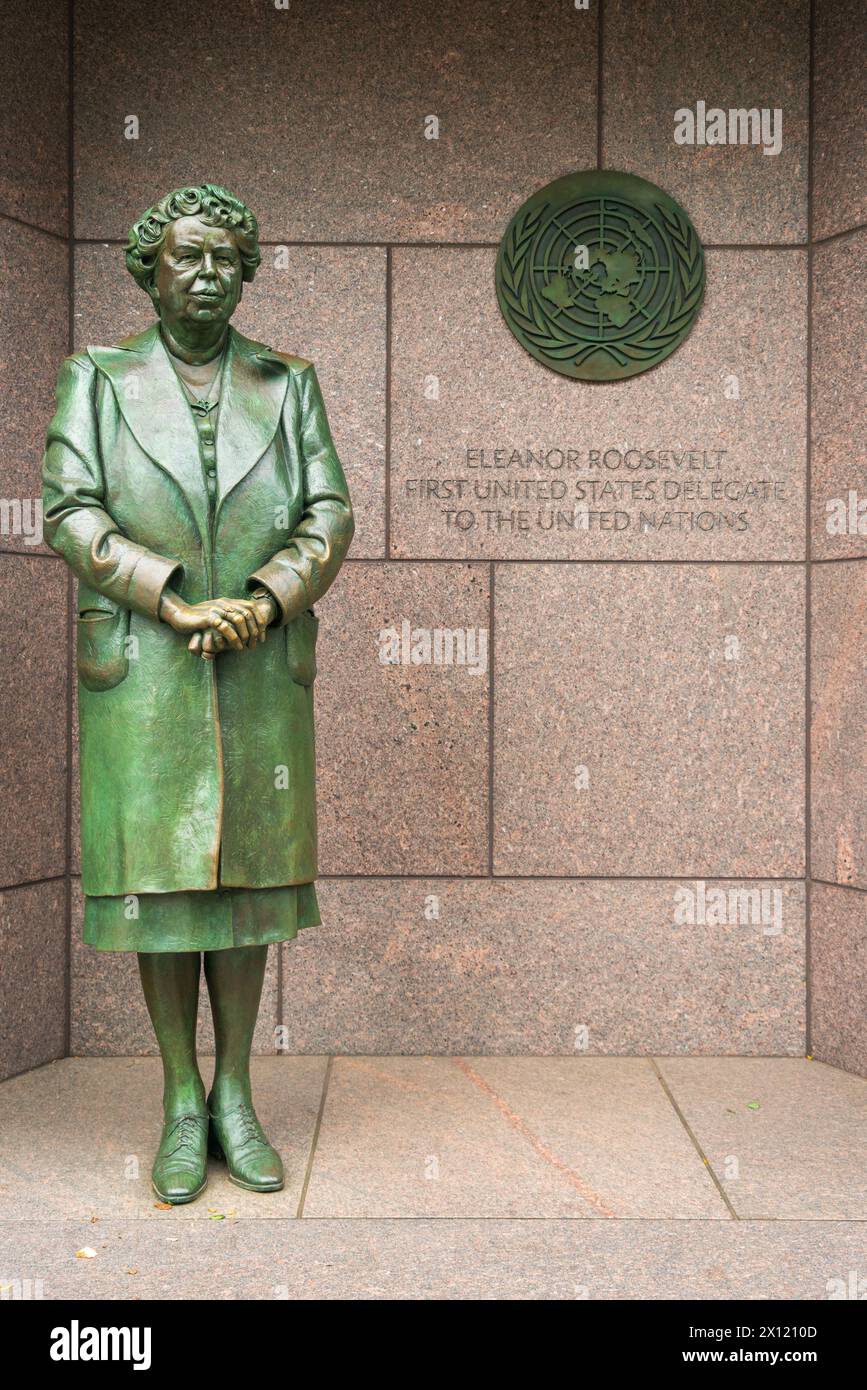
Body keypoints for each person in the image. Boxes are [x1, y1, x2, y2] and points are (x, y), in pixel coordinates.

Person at [42, 184, 354, 1203]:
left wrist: (266, 599)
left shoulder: (288, 380)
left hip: (261, 661)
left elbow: (328, 511)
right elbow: (69, 511)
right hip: (146, 661)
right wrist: (169, 598)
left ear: (246, 270)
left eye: (227, 257)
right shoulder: (98, 376)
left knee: (249, 882)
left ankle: (235, 1091)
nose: (209, 273)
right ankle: (180, 1094)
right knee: (165, 885)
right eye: (189, 257)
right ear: (151, 268)